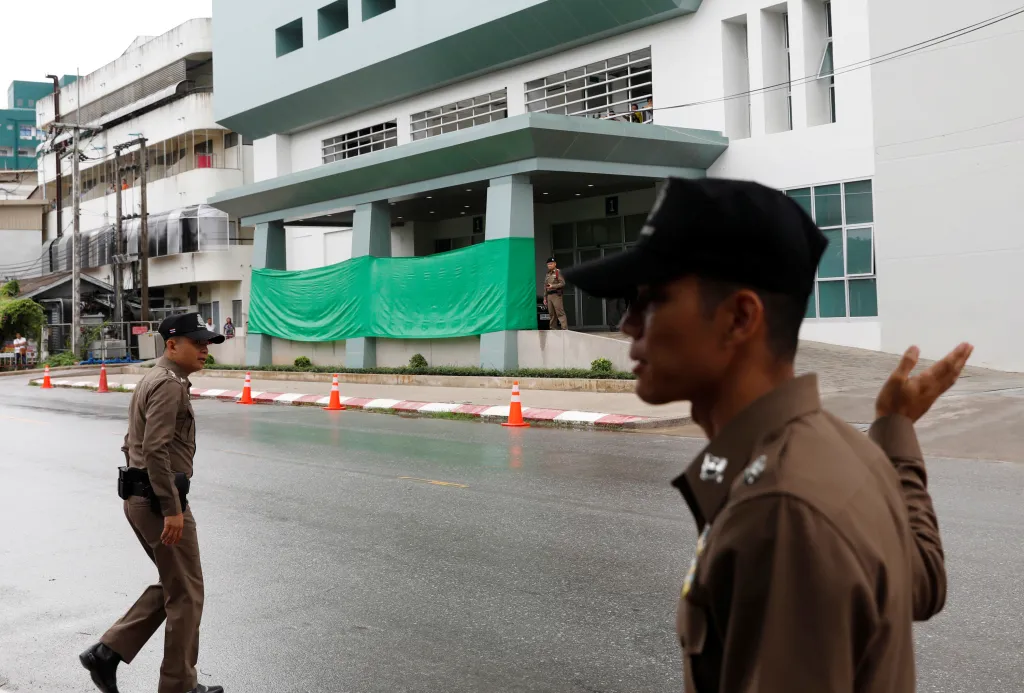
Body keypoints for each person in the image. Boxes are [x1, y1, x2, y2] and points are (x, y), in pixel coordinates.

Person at [564, 177, 971, 693]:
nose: (627, 324)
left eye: (651, 299)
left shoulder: (781, 508)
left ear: (739, 318)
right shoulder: (843, 448)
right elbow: (923, 583)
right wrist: (895, 427)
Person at [79, 313, 225, 693]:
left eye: (207, 342)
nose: (205, 349)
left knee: (178, 585)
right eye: (198, 342)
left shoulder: (157, 378)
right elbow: (155, 450)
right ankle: (178, 686)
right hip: (160, 502)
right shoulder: (169, 384)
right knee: (188, 594)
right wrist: (171, 507)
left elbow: (133, 441)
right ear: (172, 345)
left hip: (143, 497)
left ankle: (107, 652)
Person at [543, 257, 568, 330]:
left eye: (551, 264)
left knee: (559, 312)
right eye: (548, 264)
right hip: (549, 296)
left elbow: (562, 283)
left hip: (556, 295)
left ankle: (564, 329)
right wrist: (545, 297)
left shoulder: (558, 272)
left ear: (555, 264)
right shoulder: (548, 274)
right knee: (551, 314)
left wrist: (553, 286)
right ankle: (553, 329)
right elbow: (545, 286)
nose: (549, 265)